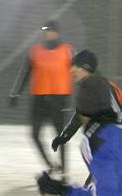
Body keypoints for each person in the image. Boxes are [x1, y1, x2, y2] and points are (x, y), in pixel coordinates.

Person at [8, 20, 74, 173]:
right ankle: (51, 165)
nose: (48, 33)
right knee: (34, 134)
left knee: (61, 136)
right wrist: (16, 92)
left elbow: (78, 71)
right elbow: (25, 73)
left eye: (51, 30)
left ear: (57, 32)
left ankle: (64, 169)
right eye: (46, 30)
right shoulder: (35, 51)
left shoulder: (68, 50)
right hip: (39, 99)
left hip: (60, 99)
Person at [50, 49, 122, 154]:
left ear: (85, 69)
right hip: (102, 144)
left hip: (114, 143)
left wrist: (110, 137)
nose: (71, 71)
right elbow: (79, 116)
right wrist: (64, 137)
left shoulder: (102, 86)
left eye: (75, 66)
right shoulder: (85, 89)